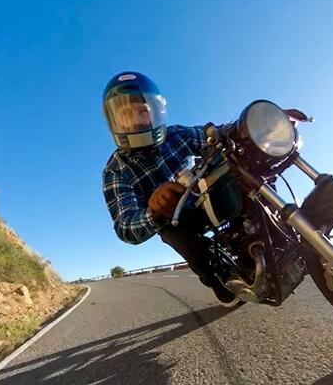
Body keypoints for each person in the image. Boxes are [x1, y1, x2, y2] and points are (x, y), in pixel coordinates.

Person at [100, 71, 239, 304]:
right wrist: (154, 211)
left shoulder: (176, 134)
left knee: (237, 167)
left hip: (203, 196)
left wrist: (261, 123)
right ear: (115, 122)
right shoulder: (115, 171)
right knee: (179, 238)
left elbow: (218, 134)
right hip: (173, 220)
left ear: (155, 112)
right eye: (126, 114)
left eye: (142, 111)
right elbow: (125, 225)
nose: (136, 119)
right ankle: (215, 279)